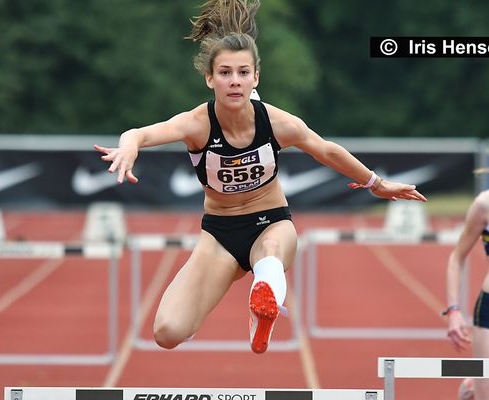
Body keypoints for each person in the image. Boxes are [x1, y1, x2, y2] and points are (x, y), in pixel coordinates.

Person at [94, 0, 427, 354]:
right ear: (210, 79)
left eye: (242, 73)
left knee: (269, 255)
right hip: (219, 235)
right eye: (224, 73)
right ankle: (244, 298)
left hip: (271, 223)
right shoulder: (197, 123)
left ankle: (263, 304)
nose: (234, 81)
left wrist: (376, 184)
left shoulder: (278, 122)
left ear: (256, 77)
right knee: (167, 332)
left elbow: (326, 150)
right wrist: (128, 147)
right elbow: (139, 133)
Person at [444, 189, 489, 399]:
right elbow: (457, 257)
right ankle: (476, 388)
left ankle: (472, 386)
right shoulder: (484, 204)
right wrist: (454, 310)